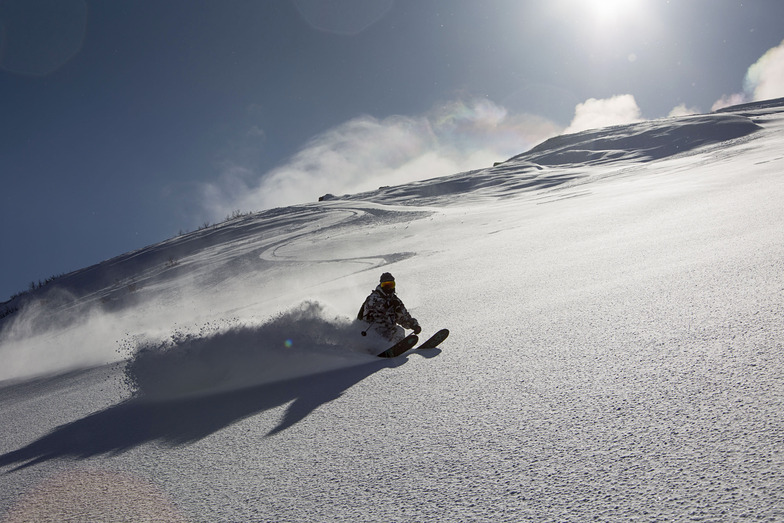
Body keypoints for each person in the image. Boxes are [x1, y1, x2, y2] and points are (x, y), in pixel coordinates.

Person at [358, 272, 421, 344]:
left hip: (387, 331)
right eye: (385, 285)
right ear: (381, 285)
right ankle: (373, 350)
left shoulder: (395, 300)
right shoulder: (374, 297)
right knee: (393, 331)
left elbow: (403, 317)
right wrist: (388, 305)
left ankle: (395, 349)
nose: (388, 288)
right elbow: (372, 306)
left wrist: (413, 325)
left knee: (399, 331)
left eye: (391, 285)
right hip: (371, 331)